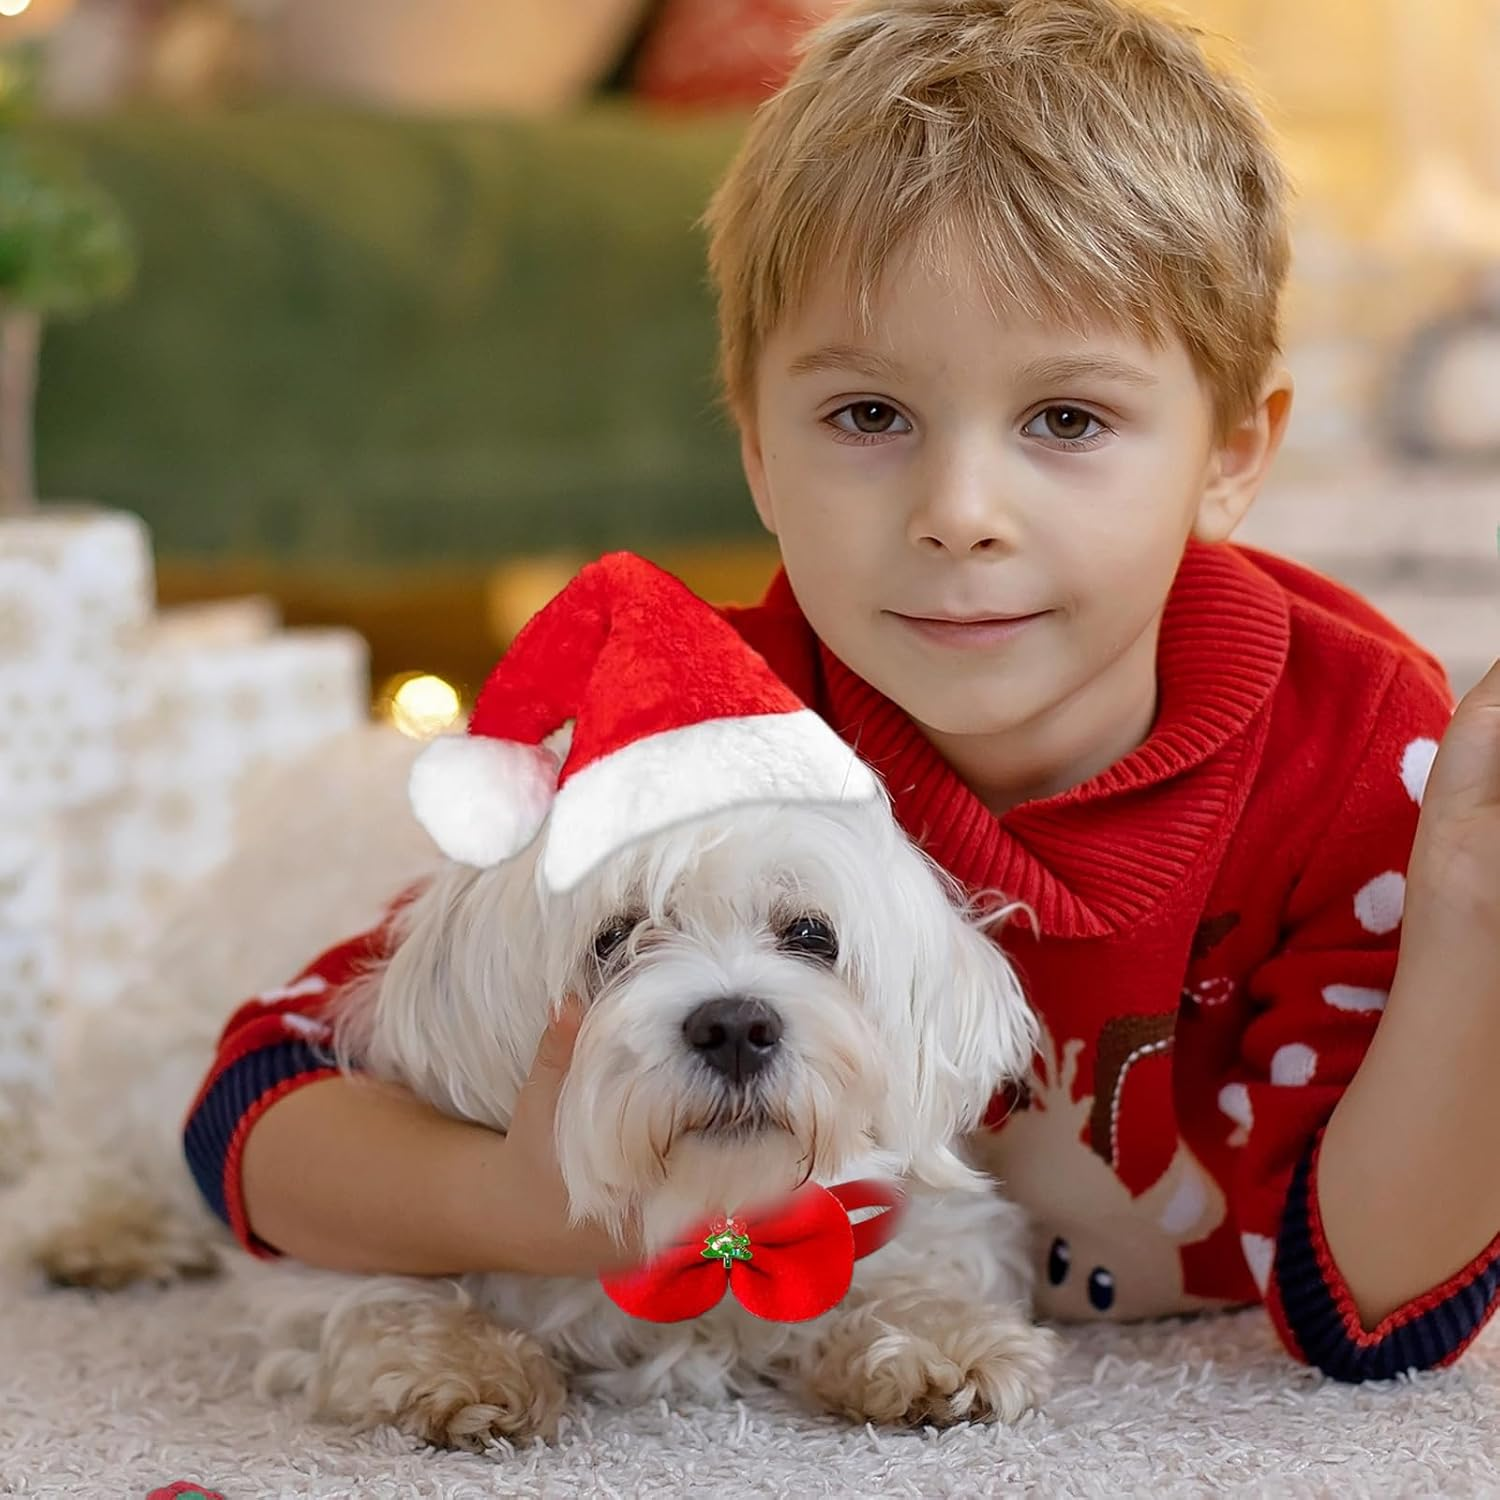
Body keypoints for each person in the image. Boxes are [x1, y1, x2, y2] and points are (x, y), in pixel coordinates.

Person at [183, 0, 1500, 1381]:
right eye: (870, 416)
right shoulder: (697, 722)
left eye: (1067, 418)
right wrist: (513, 1211)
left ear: (1233, 454)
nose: (960, 512)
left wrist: (1470, 915)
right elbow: (256, 1108)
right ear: (757, 452)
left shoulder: (1365, 764)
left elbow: (1375, 1314)